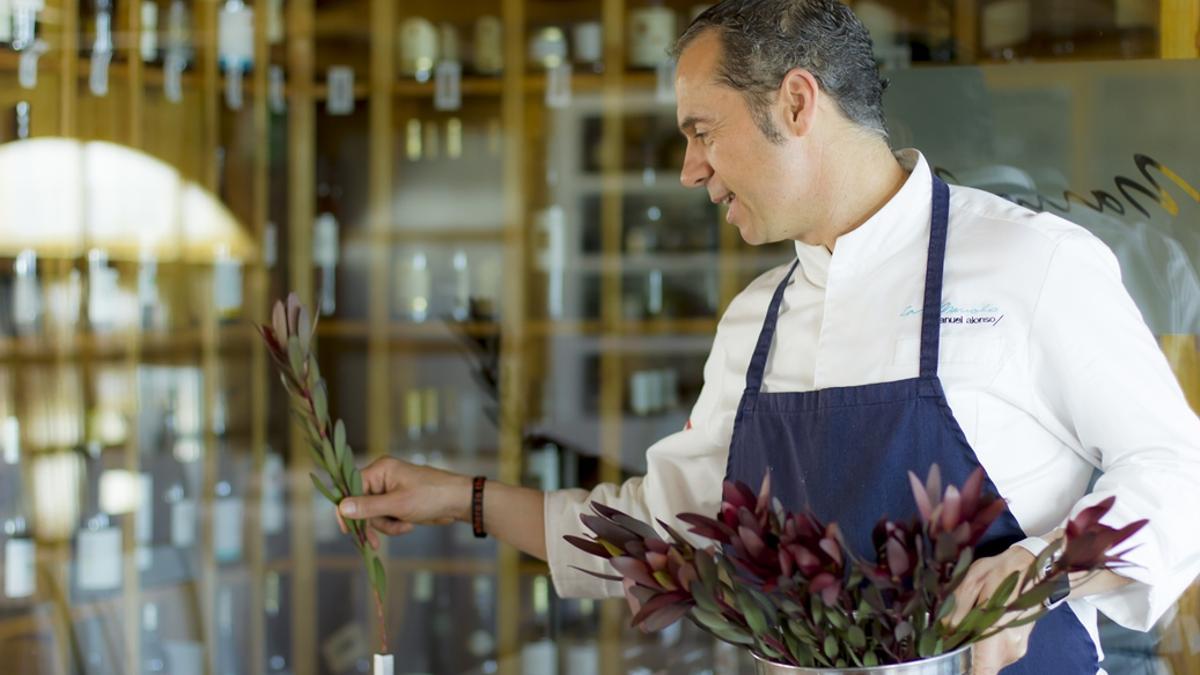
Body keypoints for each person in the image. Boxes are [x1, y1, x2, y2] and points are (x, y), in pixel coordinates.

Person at [335, 2, 1200, 673]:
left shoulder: (1030, 263)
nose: (690, 169)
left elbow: (1176, 469)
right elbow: (666, 537)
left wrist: (1042, 569)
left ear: (795, 101)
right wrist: (463, 499)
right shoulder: (756, 320)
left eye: (701, 131)